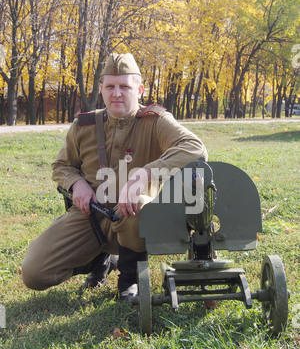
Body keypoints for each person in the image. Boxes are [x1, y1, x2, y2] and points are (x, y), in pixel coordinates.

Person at [21, 53, 208, 300]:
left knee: (137, 205)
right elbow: (62, 165)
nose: (116, 93)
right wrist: (76, 183)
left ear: (139, 90)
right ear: (101, 89)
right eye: (110, 86)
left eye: (124, 87)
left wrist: (145, 174)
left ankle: (130, 278)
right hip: (90, 217)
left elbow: (195, 148)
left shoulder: (156, 122)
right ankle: (101, 259)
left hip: (134, 217)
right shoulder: (84, 126)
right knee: (34, 274)